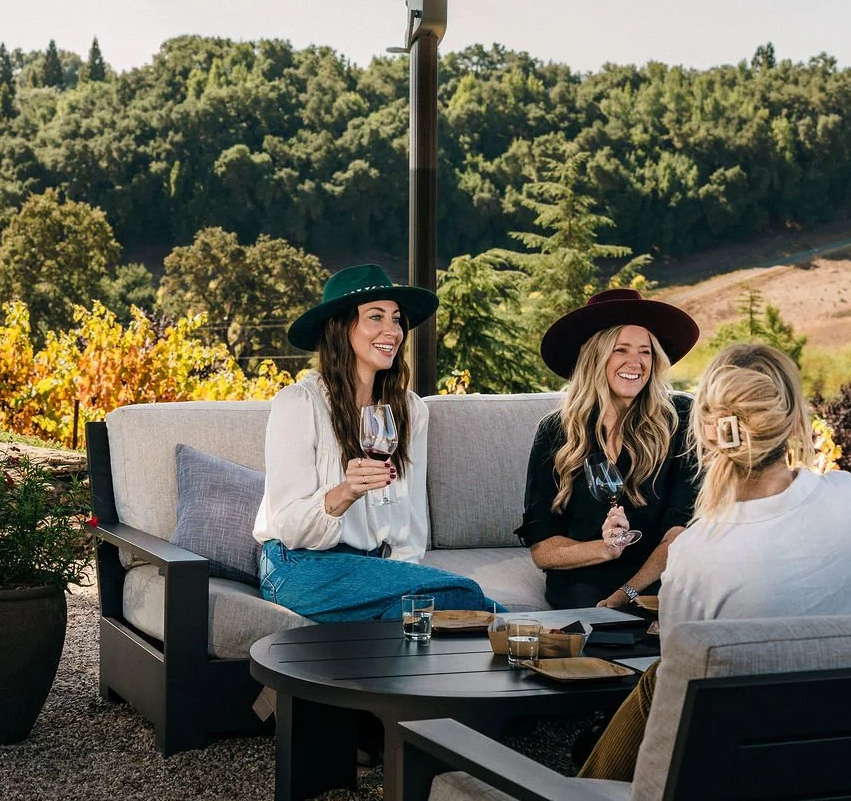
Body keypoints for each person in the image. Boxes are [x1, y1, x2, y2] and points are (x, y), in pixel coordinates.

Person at [578, 342, 851, 780]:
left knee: (659, 680)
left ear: (705, 430)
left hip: (731, 781)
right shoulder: (847, 495)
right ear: (793, 419)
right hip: (842, 755)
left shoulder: (696, 554)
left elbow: (677, 707)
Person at [254, 264, 497, 622]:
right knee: (461, 594)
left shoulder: (409, 410)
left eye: (397, 319)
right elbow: (290, 528)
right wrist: (346, 492)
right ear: (340, 328)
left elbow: (412, 530)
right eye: (376, 317)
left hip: (374, 572)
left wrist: (407, 582)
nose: (393, 331)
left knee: (456, 615)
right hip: (300, 568)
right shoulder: (299, 404)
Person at [520, 289, 702, 611]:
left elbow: (680, 532)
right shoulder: (556, 432)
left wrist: (626, 594)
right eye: (621, 350)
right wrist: (605, 549)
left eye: (645, 352)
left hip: (657, 577)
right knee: (588, 609)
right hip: (582, 581)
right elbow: (543, 548)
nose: (636, 363)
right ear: (595, 356)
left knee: (671, 603)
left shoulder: (681, 419)